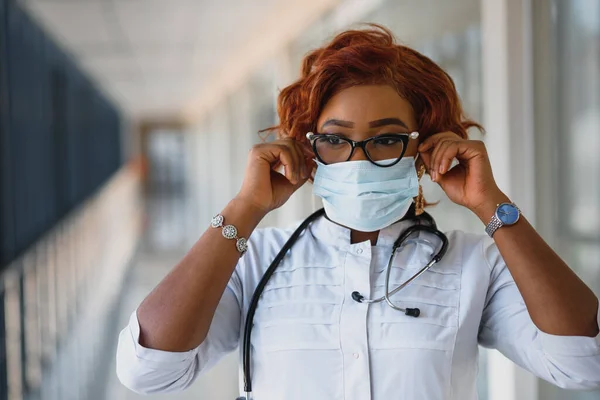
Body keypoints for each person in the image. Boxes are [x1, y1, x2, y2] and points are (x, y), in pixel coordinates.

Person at [116, 25, 600, 400]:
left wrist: (491, 203)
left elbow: (584, 361)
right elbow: (149, 369)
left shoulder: (474, 264)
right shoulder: (256, 260)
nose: (359, 158)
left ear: (424, 149)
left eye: (387, 138)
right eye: (335, 139)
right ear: (310, 149)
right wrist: (244, 209)